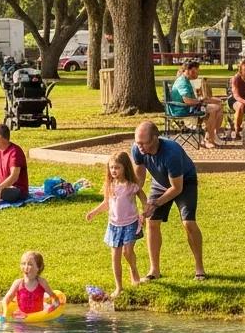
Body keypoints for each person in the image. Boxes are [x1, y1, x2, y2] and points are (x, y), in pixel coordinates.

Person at [131, 120, 205, 281]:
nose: (141, 147)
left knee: (188, 223)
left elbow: (177, 188)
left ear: (156, 138)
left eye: (144, 143)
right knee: (152, 221)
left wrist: (155, 203)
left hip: (184, 181)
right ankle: (154, 271)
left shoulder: (171, 152)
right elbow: (139, 179)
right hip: (160, 182)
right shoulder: (137, 149)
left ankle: (199, 268)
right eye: (138, 143)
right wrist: (129, 197)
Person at [86, 151, 146, 299]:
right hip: (114, 225)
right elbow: (106, 203)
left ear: (125, 167)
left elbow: (144, 198)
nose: (114, 171)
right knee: (115, 256)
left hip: (130, 223)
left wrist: (145, 212)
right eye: (112, 167)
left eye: (117, 167)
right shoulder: (110, 185)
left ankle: (134, 271)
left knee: (127, 252)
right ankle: (119, 287)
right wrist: (94, 212)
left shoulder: (131, 186)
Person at [169, 60, 223, 148]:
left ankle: (211, 136)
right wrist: (201, 101)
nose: (197, 73)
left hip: (188, 108)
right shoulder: (182, 82)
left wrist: (202, 100)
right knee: (213, 109)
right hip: (184, 110)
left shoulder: (185, 80)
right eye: (196, 71)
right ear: (188, 70)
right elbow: (187, 101)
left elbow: (190, 99)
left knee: (219, 106)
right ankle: (209, 139)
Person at [0, 250, 57, 317]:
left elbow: (55, 298)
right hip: (21, 319)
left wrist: (53, 306)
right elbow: (6, 300)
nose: (25, 267)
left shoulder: (42, 282)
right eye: (23, 263)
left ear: (38, 267)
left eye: (30, 264)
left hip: (38, 319)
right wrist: (4, 314)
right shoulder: (18, 283)